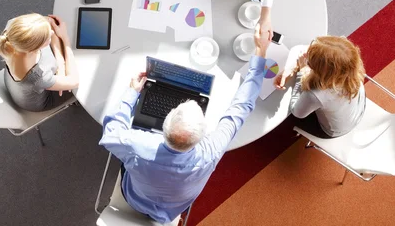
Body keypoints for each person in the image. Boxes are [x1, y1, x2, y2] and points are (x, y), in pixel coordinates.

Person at [99, 25, 271, 224]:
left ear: (164, 125)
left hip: (133, 198)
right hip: (173, 211)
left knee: (131, 139)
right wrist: (261, 52)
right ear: (203, 135)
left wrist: (132, 92)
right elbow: (241, 108)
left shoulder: (137, 144)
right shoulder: (211, 151)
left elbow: (110, 134)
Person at [274, 36, 366, 138]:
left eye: (310, 60)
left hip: (334, 130)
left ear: (322, 73)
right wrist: (293, 68)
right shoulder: (349, 69)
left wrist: (301, 72)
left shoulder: (315, 94)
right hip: (358, 110)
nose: (305, 54)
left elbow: (297, 112)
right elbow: (302, 49)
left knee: (286, 115)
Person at [0, 13, 79, 112]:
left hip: (22, 89)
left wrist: (61, 64)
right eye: (47, 37)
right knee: (84, 70)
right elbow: (75, 81)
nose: (52, 32)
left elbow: (49, 20)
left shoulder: (13, 27)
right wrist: (64, 38)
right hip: (43, 100)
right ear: (35, 49)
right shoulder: (37, 77)